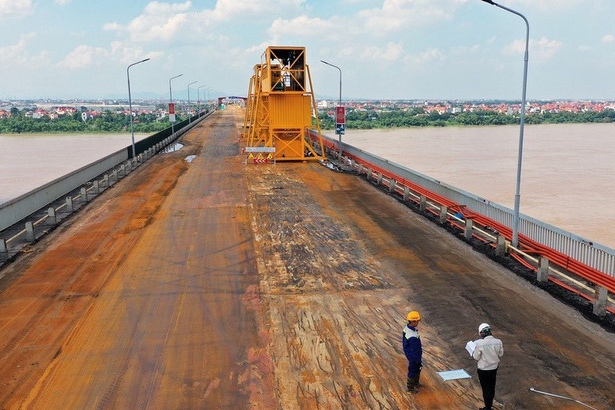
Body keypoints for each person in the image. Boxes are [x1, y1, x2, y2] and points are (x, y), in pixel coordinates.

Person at [472, 323, 504, 410]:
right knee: (491, 386)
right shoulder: (498, 342)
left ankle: (488, 408)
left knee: (485, 389)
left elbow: (476, 357)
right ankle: (490, 405)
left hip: (483, 370)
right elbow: (500, 354)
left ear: (482, 333)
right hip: (493, 368)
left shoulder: (480, 344)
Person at [402, 310, 423, 393]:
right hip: (414, 356)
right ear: (412, 321)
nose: (418, 322)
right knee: (413, 369)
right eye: (417, 321)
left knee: (418, 368)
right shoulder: (412, 336)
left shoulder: (407, 329)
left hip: (412, 354)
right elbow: (415, 349)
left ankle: (416, 383)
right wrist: (416, 359)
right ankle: (410, 388)